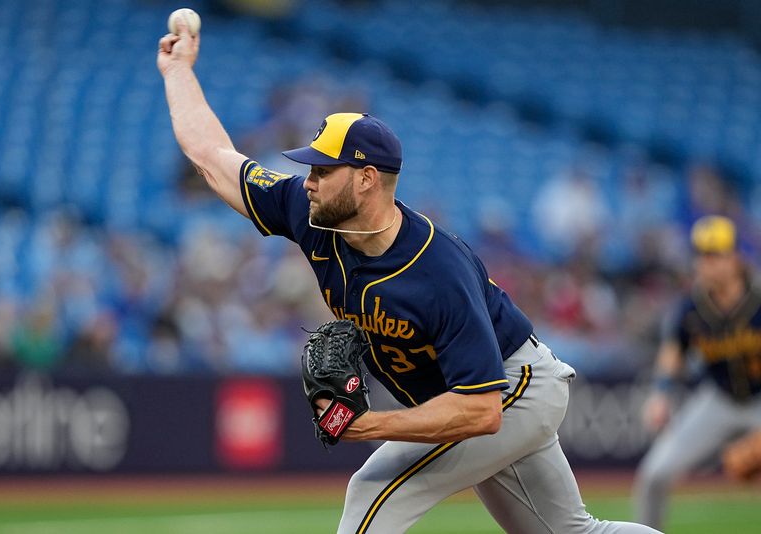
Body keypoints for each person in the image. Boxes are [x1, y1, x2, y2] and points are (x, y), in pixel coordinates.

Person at [157, 20, 660, 534]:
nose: (306, 181)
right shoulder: (308, 214)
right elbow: (214, 159)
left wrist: (368, 426)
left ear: (366, 179)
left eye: (321, 171)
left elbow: (482, 411)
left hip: (513, 388)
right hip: (474, 398)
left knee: (372, 490)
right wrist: (178, 71)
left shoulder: (437, 270)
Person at [634, 215, 761, 529]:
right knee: (654, 475)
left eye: (715, 254)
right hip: (718, 400)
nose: (708, 263)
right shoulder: (691, 308)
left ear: (735, 258)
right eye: (702, 255)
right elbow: (673, 352)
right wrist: (660, 394)